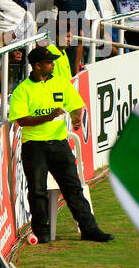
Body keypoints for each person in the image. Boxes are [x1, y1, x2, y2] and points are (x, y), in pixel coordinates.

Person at [8, 45, 113, 243]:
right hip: (34, 146)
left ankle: (89, 229)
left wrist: (76, 118)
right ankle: (42, 232)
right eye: (49, 62)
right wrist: (48, 116)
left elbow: (75, 104)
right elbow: (21, 120)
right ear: (37, 66)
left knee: (73, 187)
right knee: (37, 191)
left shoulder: (61, 83)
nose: (53, 65)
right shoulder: (22, 90)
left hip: (59, 144)